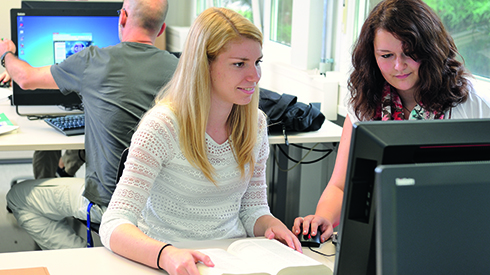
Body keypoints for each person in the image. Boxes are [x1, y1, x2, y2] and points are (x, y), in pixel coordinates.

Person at [99, 7, 302, 274]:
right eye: (239, 64)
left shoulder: (255, 123)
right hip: (169, 260)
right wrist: (165, 255)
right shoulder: (161, 127)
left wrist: (271, 224)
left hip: (231, 259)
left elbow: (253, 209)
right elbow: (114, 223)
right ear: (203, 65)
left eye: (257, 62)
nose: (255, 76)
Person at [293, 0, 490, 243]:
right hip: (383, 234)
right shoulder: (364, 102)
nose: (398, 66)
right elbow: (341, 186)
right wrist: (322, 217)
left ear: (430, 49)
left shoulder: (474, 103)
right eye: (386, 55)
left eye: (409, 53)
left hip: (456, 234)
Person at [3, 0, 179, 249]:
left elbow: (25, 78)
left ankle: (84, 260)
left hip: (111, 205)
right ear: (161, 30)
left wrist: (5, 54)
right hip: (162, 207)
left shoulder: (94, 60)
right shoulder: (181, 70)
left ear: (123, 18)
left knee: (18, 197)